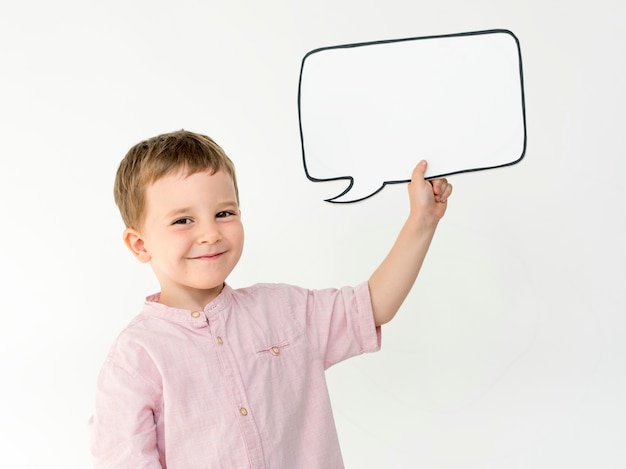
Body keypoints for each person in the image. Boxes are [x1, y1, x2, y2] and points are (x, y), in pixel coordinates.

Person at [88, 129, 452, 468]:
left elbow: (373, 306)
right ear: (140, 244)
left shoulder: (283, 310)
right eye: (183, 220)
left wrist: (422, 220)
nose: (211, 233)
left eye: (224, 213)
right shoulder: (136, 358)